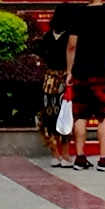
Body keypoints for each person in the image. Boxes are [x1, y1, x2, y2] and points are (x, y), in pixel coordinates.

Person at [61, 0, 105, 171]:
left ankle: (80, 157)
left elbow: (71, 45)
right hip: (104, 69)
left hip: (81, 70)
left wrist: (69, 71)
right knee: (104, 115)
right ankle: (104, 158)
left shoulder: (78, 14)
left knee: (81, 114)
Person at [33, 9, 77, 167]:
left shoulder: (49, 36)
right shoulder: (69, 37)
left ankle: (54, 154)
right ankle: (65, 155)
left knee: (49, 117)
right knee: (65, 116)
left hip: (49, 81)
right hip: (64, 81)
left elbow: (38, 51)